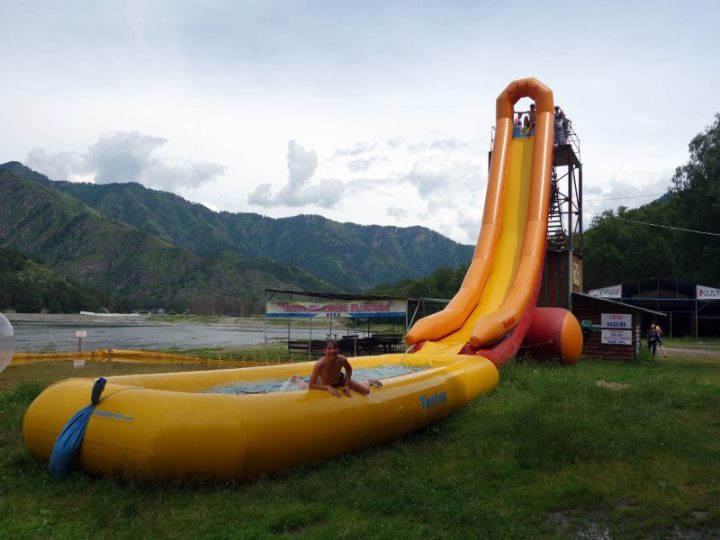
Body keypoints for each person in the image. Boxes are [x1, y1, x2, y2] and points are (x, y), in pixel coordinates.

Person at [308, 339, 383, 397]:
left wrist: (346, 385)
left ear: (338, 349)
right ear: (324, 351)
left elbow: (349, 369)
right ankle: (300, 382)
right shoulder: (320, 364)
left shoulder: (342, 359)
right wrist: (327, 387)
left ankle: (368, 381)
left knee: (366, 391)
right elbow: (311, 385)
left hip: (341, 379)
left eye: (335, 348)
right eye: (329, 348)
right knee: (305, 386)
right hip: (325, 383)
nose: (332, 351)